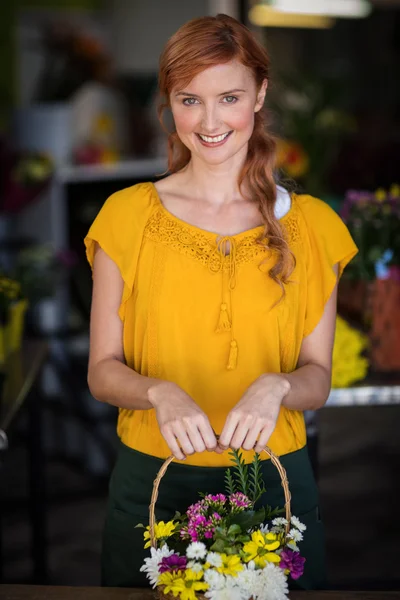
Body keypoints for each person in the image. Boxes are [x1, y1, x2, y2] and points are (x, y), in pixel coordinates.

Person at [84, 14, 358, 590]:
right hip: (150, 480)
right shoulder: (127, 217)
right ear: (170, 102)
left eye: (228, 97)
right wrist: (157, 391)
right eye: (189, 100)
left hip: (276, 476)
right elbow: (103, 371)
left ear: (259, 94)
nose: (209, 122)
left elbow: (318, 377)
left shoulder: (313, 227)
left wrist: (278, 386)